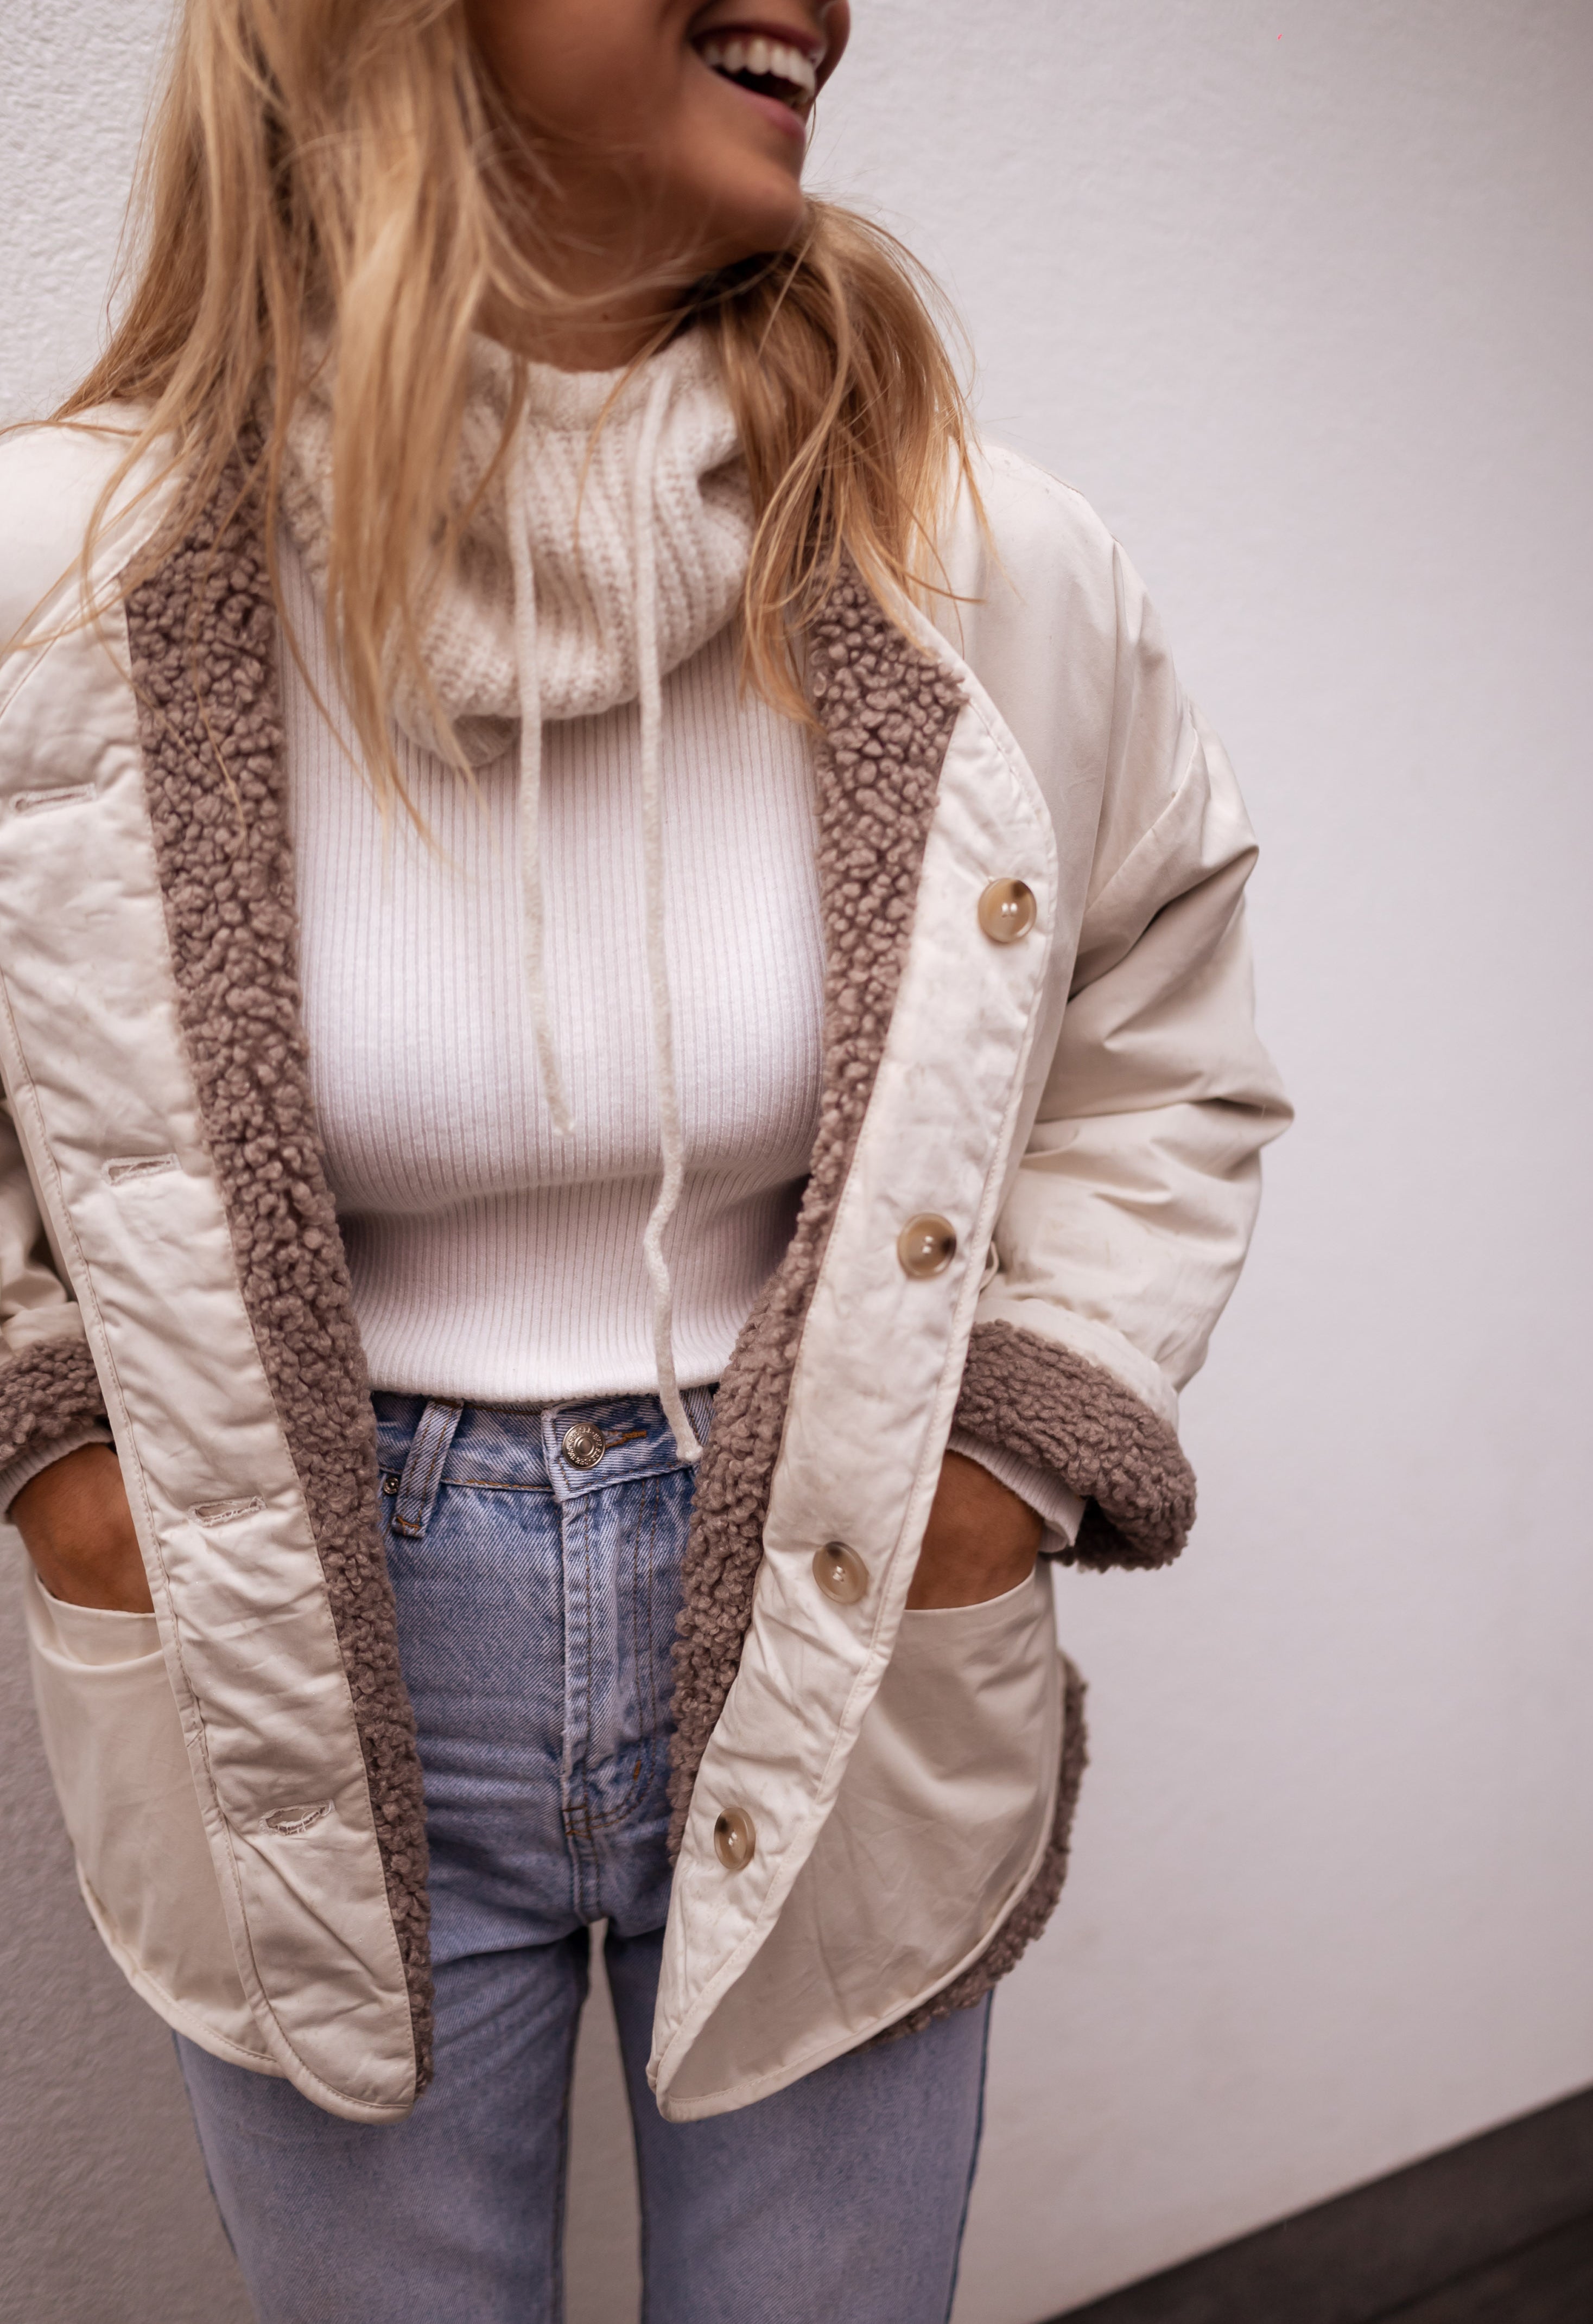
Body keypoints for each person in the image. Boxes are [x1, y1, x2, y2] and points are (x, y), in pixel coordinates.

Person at [0, 2, 1289, 2317]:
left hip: (838, 1586)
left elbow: (1154, 1047)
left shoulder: (988, 568)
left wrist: (1000, 1444)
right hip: (289, 1618)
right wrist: (64, 1449)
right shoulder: (54, 583)